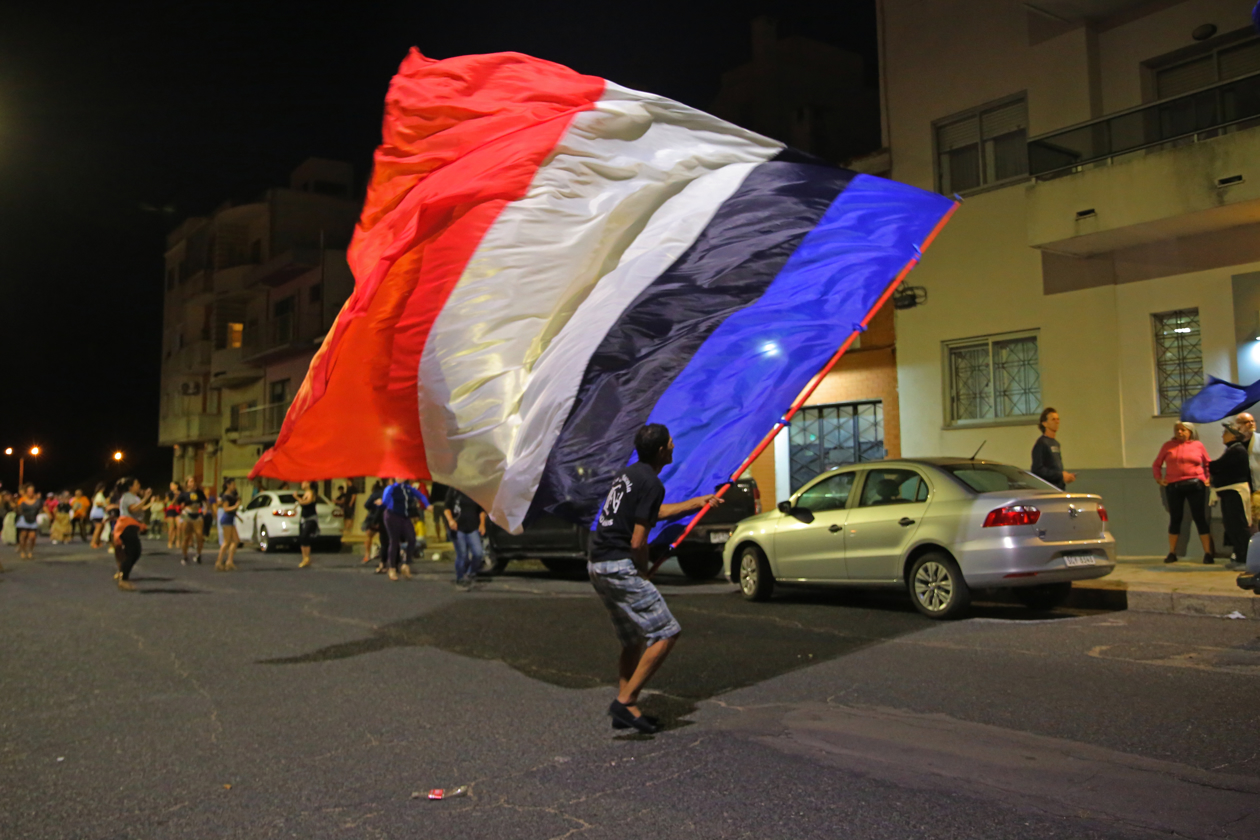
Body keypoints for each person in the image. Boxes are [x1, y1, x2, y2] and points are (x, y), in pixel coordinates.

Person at [587, 424, 721, 734]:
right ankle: (625, 699)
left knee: (633, 640)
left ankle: (628, 706)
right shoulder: (651, 482)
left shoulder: (630, 475)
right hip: (618, 565)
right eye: (671, 442)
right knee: (666, 632)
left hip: (597, 564)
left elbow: (651, 513)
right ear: (662, 451)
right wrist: (642, 570)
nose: (675, 445)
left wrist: (696, 503)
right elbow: (637, 541)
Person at [1152, 421, 1213, 564]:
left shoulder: (1198, 445)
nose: (1179, 432)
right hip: (1174, 486)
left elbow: (1208, 463)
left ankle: (1208, 553)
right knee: (1175, 518)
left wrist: (1208, 478)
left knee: (1200, 517)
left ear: (1190, 432)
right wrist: (1159, 479)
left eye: (1183, 430)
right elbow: (1157, 464)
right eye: (1177, 430)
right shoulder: (1168, 446)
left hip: (1195, 484)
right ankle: (1172, 552)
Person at [1209, 421, 1252, 568]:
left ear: (1233, 436)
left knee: (1239, 525)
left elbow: (1217, 466)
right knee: (1231, 526)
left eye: (1225, 433)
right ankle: (1239, 557)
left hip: (1236, 493)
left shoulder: (1237, 450)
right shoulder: (1231, 450)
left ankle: (1247, 559)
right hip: (1228, 492)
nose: (1222, 436)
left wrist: (1208, 465)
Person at [380, 478, 428, 581]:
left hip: (404, 516)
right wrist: (382, 502)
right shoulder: (391, 488)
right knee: (394, 540)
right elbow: (385, 501)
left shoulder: (408, 489)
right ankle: (392, 568)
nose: (401, 477)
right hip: (392, 515)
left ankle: (406, 564)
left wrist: (427, 505)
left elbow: (421, 496)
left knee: (412, 539)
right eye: (399, 476)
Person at [112, 477, 151, 592]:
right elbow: (133, 509)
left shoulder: (133, 497)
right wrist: (146, 498)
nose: (139, 486)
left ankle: (123, 575)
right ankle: (124, 579)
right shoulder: (128, 497)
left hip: (131, 525)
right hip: (127, 526)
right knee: (133, 552)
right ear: (130, 487)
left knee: (135, 552)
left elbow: (138, 509)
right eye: (136, 484)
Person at [444, 485, 486, 588]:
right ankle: (460, 577)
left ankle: (470, 573)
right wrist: (450, 520)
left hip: (473, 527)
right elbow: (446, 508)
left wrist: (482, 524)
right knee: (462, 554)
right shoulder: (454, 490)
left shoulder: (476, 491)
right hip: (458, 528)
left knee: (478, 553)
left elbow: (481, 510)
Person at [1031, 407, 1076, 490]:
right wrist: (1060, 475)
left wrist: (1065, 476)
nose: (1057, 422)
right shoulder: (1041, 443)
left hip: (1059, 488)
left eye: (1058, 419)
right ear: (1045, 423)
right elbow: (1037, 469)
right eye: (1053, 419)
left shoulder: (1056, 443)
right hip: (1048, 489)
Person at [1233, 412, 1260, 524]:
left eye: (1252, 421)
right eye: (1246, 422)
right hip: (1242, 490)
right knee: (1246, 522)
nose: (1251, 424)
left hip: (1258, 488)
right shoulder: (1234, 443)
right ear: (1238, 425)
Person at [176, 476, 207, 565]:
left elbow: (205, 501)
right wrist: (181, 507)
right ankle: (185, 556)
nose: (192, 483)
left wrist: (205, 509)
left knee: (200, 536)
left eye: (193, 481)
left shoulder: (199, 492)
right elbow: (178, 504)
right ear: (187, 484)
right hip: (187, 514)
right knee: (186, 537)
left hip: (197, 514)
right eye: (190, 482)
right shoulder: (184, 494)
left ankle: (198, 554)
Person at [215, 478, 241, 572]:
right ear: (228, 485)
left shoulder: (232, 495)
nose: (234, 486)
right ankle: (219, 561)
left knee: (236, 540)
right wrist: (235, 506)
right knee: (226, 541)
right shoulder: (226, 496)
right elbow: (225, 508)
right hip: (227, 519)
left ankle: (229, 561)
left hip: (231, 518)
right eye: (233, 484)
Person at [362, 480, 387, 567]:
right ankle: (385, 557)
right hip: (384, 517)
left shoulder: (374, 494)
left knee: (369, 536)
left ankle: (367, 554)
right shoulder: (386, 493)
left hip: (373, 518)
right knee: (384, 538)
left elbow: (366, 505)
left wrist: (372, 509)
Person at [15, 484, 41, 560]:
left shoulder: (37, 501)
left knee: (32, 537)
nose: (30, 493)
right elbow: (18, 509)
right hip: (24, 519)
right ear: (26, 492)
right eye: (29, 491)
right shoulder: (22, 500)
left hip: (33, 519)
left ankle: (30, 551)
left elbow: (40, 509)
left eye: (32, 491)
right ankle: (23, 551)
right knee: (23, 535)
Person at [296, 481, 319, 569]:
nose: (302, 484)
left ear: (308, 484)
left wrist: (297, 498)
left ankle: (306, 558)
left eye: (304, 482)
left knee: (305, 536)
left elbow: (307, 502)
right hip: (303, 519)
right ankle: (305, 558)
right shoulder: (306, 493)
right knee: (302, 538)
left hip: (311, 518)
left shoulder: (311, 493)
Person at [89, 482, 109, 549]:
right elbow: (98, 503)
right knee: (98, 528)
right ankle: (93, 542)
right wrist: (105, 504)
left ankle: (98, 542)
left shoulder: (98, 495)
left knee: (101, 527)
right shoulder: (99, 495)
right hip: (98, 513)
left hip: (98, 513)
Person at [163, 482, 181, 549]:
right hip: (170, 510)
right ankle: (170, 541)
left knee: (179, 526)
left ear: (176, 486)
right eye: (170, 485)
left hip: (178, 510)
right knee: (171, 527)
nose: (171, 486)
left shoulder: (180, 493)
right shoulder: (169, 493)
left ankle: (178, 540)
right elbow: (167, 502)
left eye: (172, 485)